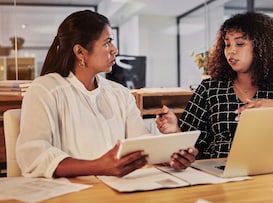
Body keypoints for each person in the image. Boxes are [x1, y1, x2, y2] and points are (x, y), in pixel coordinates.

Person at [16, 10, 197, 178]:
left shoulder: (120, 93)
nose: (114, 50)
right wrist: (98, 166)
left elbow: (141, 142)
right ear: (80, 52)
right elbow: (34, 157)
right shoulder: (45, 89)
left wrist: (170, 156)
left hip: (117, 190)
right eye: (107, 42)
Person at [155, 12, 273, 160]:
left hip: (269, 170)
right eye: (227, 44)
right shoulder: (209, 88)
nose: (231, 51)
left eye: (240, 44)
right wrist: (174, 130)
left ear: (262, 48)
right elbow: (190, 146)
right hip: (217, 173)